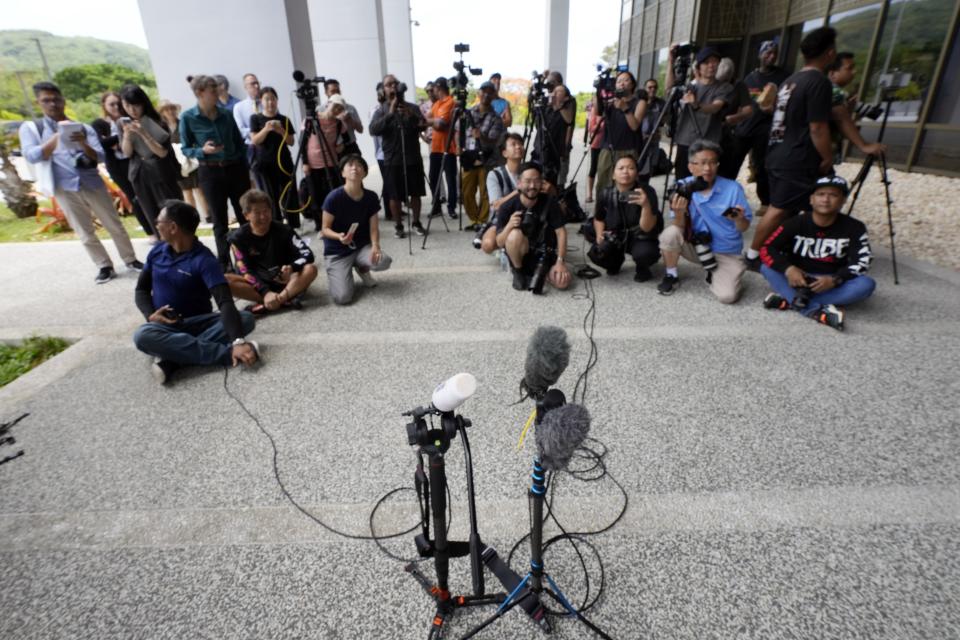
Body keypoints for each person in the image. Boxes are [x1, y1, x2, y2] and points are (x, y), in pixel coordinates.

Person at [19, 81, 141, 284]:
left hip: (90, 181)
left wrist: (82, 142)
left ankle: (130, 259)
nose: (53, 104)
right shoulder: (33, 128)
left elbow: (100, 156)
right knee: (84, 230)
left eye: (56, 99)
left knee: (114, 224)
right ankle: (104, 265)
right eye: (46, 100)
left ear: (63, 101)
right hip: (63, 186)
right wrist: (57, 136)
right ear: (38, 103)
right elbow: (32, 155)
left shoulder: (83, 127)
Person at [133, 200, 259, 385]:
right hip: (164, 325)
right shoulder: (156, 252)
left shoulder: (204, 260)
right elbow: (141, 290)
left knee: (246, 318)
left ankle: (173, 360)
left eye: (159, 221)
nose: (156, 225)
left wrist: (238, 340)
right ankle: (225, 354)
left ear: (173, 227)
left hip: (200, 322)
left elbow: (224, 301)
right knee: (142, 335)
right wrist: (150, 315)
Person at [745, 27, 838, 271]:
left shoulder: (790, 80)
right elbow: (818, 127)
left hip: (776, 151)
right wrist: (828, 156)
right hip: (796, 156)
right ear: (829, 53)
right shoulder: (818, 82)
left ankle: (782, 249)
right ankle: (753, 254)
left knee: (789, 209)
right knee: (779, 209)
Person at [759, 175, 875, 331]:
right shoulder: (795, 222)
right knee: (766, 267)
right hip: (798, 278)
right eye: (820, 194)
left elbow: (863, 260)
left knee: (866, 285)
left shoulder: (855, 227)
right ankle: (814, 310)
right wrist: (788, 269)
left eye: (833, 195)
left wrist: (836, 279)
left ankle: (790, 298)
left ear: (843, 201)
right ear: (811, 199)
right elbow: (767, 248)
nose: (826, 199)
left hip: (829, 281)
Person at [657, 139, 751, 303]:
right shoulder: (682, 187)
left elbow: (743, 228)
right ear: (690, 166)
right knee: (670, 234)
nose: (707, 168)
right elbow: (679, 227)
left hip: (725, 250)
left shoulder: (732, 188)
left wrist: (739, 219)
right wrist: (679, 212)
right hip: (696, 245)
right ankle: (671, 274)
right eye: (701, 163)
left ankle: (717, 272)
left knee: (727, 297)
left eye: (712, 163)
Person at [179, 74, 250, 272]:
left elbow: (238, 141)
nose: (218, 93)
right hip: (210, 172)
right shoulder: (188, 117)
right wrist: (203, 151)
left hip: (235, 169)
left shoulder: (226, 114)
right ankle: (224, 262)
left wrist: (242, 164)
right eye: (213, 90)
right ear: (199, 93)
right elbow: (185, 148)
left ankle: (248, 257)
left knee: (245, 215)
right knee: (219, 221)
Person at [226, 189, 317, 314]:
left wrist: (292, 267)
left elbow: (307, 254)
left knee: (310, 269)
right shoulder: (238, 238)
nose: (263, 216)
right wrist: (266, 292)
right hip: (258, 284)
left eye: (266, 211)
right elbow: (245, 271)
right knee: (225, 280)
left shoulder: (284, 230)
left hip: (286, 281)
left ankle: (275, 301)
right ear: (246, 215)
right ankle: (280, 300)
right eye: (257, 213)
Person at [726, 40, 790, 213]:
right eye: (768, 53)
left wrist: (774, 108)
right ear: (760, 55)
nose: (771, 56)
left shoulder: (783, 77)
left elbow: (789, 103)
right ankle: (725, 196)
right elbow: (741, 103)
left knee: (762, 166)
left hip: (766, 130)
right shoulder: (750, 78)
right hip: (745, 128)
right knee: (733, 163)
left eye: (774, 53)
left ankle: (765, 202)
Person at [319, 154, 392, 305]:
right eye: (350, 165)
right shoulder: (333, 198)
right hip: (337, 252)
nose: (354, 168)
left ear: (365, 172)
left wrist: (375, 246)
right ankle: (339, 272)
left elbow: (374, 227)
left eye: (359, 165)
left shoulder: (370, 197)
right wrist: (339, 236)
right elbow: (324, 229)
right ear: (343, 173)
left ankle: (362, 267)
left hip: (360, 247)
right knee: (342, 298)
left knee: (383, 261)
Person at [495, 161, 572, 293]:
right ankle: (518, 271)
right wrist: (509, 227)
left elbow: (561, 232)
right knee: (514, 235)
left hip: (544, 253)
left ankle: (542, 271)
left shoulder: (550, 202)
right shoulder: (507, 207)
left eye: (537, 181)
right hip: (520, 253)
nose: (532, 186)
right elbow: (499, 242)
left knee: (562, 282)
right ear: (519, 183)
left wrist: (560, 262)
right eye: (527, 181)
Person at [119, 84, 183, 236]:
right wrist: (127, 136)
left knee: (171, 214)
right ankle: (163, 247)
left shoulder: (157, 121)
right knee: (152, 214)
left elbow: (162, 153)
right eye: (127, 105)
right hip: (140, 174)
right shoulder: (123, 123)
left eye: (136, 105)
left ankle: (182, 245)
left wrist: (143, 133)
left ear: (143, 103)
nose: (132, 110)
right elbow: (127, 153)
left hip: (161, 174)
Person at [369, 74, 428, 239]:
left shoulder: (412, 107)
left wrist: (412, 115)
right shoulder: (380, 110)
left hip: (412, 157)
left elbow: (423, 125)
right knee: (394, 195)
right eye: (389, 84)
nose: (393, 86)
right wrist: (390, 112)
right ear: (384, 89)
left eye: (395, 83)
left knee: (415, 193)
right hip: (392, 159)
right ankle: (399, 225)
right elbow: (373, 130)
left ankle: (416, 222)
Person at [92, 91, 155, 240]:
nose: (115, 107)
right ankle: (150, 233)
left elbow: (136, 137)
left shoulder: (128, 119)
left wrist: (115, 141)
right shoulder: (99, 123)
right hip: (116, 165)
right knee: (133, 197)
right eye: (111, 104)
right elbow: (101, 145)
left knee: (145, 194)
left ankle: (156, 227)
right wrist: (120, 138)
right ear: (104, 106)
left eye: (118, 103)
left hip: (133, 160)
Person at [588, 155, 662, 282]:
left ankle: (643, 268)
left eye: (631, 168)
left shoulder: (647, 192)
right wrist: (600, 236)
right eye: (620, 168)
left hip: (639, 236)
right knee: (597, 251)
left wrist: (645, 205)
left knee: (645, 253)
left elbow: (647, 227)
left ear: (637, 174)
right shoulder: (606, 193)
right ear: (613, 175)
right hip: (616, 236)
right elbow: (598, 218)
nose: (625, 171)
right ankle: (615, 262)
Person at [665, 45, 733, 179]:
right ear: (699, 67)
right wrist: (670, 61)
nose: (711, 66)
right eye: (707, 62)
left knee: (704, 183)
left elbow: (715, 107)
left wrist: (696, 104)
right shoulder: (690, 86)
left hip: (708, 143)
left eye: (715, 62)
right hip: (685, 142)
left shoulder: (724, 87)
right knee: (682, 181)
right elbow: (669, 91)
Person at [593, 70, 647, 199]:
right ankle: (601, 213)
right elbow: (598, 112)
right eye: (619, 81)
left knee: (628, 186)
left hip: (628, 149)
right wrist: (598, 92)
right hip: (608, 148)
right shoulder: (611, 101)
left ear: (633, 84)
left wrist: (625, 108)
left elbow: (635, 126)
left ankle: (629, 213)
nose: (622, 83)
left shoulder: (639, 102)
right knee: (603, 184)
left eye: (626, 80)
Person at [248, 86, 297, 227]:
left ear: (277, 100)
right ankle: (276, 224)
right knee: (270, 197)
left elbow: (291, 142)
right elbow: (255, 140)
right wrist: (267, 129)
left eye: (273, 99)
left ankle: (293, 225)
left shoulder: (284, 119)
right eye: (267, 99)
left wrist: (281, 130)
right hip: (264, 165)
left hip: (284, 162)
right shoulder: (256, 119)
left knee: (289, 194)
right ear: (261, 101)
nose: (270, 102)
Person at [826, 52, 886, 164]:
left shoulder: (820, 89)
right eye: (849, 68)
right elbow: (841, 120)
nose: (854, 72)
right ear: (832, 73)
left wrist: (848, 111)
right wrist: (864, 146)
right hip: (823, 155)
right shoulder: (836, 92)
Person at [461, 81, 506, 230]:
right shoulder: (468, 112)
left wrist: (481, 137)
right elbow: (458, 131)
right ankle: (474, 219)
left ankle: (482, 221)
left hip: (486, 159)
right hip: (469, 158)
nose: (486, 95)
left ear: (493, 95)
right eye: (483, 91)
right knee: (466, 192)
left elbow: (493, 141)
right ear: (478, 94)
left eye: (490, 92)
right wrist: (459, 149)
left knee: (485, 193)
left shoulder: (496, 118)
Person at [158, 99, 207, 220]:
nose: (170, 112)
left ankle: (207, 215)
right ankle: (193, 217)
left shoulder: (183, 123)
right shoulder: (162, 128)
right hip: (176, 163)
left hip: (190, 160)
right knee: (186, 191)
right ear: (162, 112)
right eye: (166, 110)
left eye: (172, 109)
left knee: (198, 189)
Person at [478, 132, 524, 254]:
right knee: (487, 245)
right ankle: (505, 245)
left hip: (524, 217)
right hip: (501, 219)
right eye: (513, 144)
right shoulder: (495, 175)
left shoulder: (529, 172)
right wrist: (519, 191)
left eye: (520, 144)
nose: (518, 147)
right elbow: (496, 206)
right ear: (504, 153)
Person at [303, 96, 344, 226]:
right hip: (313, 164)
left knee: (332, 194)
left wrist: (340, 146)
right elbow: (302, 142)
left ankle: (334, 223)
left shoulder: (339, 123)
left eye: (340, 108)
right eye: (335, 106)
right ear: (328, 104)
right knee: (315, 196)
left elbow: (344, 141)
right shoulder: (311, 120)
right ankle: (319, 225)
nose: (337, 109)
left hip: (331, 163)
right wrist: (304, 163)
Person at [533, 71, 575, 187]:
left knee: (555, 181)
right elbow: (537, 123)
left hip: (557, 147)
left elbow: (569, 121)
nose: (550, 86)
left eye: (553, 83)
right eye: (549, 83)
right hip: (540, 147)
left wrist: (558, 104)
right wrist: (541, 80)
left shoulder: (568, 101)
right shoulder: (545, 101)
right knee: (538, 176)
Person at [715, 58, 754, 180]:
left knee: (727, 171)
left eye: (726, 80)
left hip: (728, 134)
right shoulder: (714, 83)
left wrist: (735, 117)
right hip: (710, 132)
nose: (724, 84)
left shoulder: (739, 86)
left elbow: (748, 110)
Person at [426, 77, 458, 221]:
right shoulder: (436, 104)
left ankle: (451, 208)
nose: (433, 93)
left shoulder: (450, 102)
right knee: (433, 178)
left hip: (448, 147)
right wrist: (434, 121)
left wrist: (432, 121)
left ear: (439, 88)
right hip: (435, 148)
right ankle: (437, 207)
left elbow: (440, 124)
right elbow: (427, 120)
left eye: (434, 90)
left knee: (450, 180)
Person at [323, 79, 364, 157]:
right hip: (333, 150)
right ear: (326, 93)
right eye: (332, 91)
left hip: (351, 146)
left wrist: (350, 120)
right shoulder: (322, 110)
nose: (336, 93)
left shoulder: (350, 108)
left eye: (338, 91)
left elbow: (360, 130)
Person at [232, 73, 262, 171]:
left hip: (272, 145)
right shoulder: (239, 107)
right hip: (253, 148)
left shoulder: (267, 102)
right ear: (246, 87)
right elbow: (240, 131)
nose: (256, 86)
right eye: (252, 84)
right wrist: (261, 132)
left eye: (257, 83)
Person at [638, 78, 666, 180]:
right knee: (638, 168)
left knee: (650, 169)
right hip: (639, 141)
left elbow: (664, 121)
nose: (652, 89)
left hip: (653, 142)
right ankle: (632, 192)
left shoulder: (661, 103)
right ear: (645, 88)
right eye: (650, 87)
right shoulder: (639, 102)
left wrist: (660, 133)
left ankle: (645, 192)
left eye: (655, 87)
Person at [584, 100, 605, 203]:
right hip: (596, 144)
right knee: (593, 168)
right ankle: (589, 194)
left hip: (608, 145)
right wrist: (601, 124)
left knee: (604, 171)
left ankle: (602, 194)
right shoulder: (594, 111)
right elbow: (591, 128)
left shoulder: (611, 110)